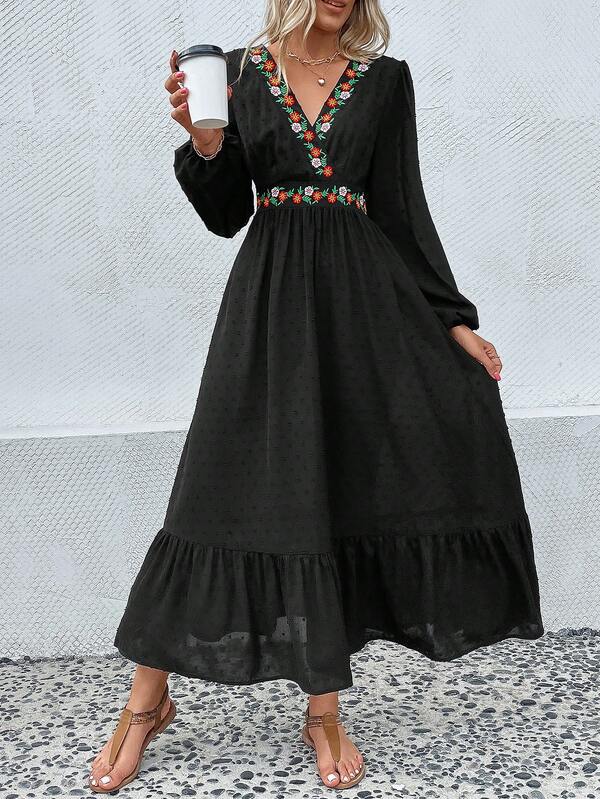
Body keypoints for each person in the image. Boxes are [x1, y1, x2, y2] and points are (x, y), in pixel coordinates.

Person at [88, 0, 544, 792]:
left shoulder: (385, 81)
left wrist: (453, 321)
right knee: (207, 495)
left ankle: (323, 709)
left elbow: (402, 209)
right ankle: (146, 702)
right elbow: (226, 214)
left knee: (332, 493)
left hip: (360, 312)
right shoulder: (237, 72)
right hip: (268, 306)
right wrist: (207, 143)